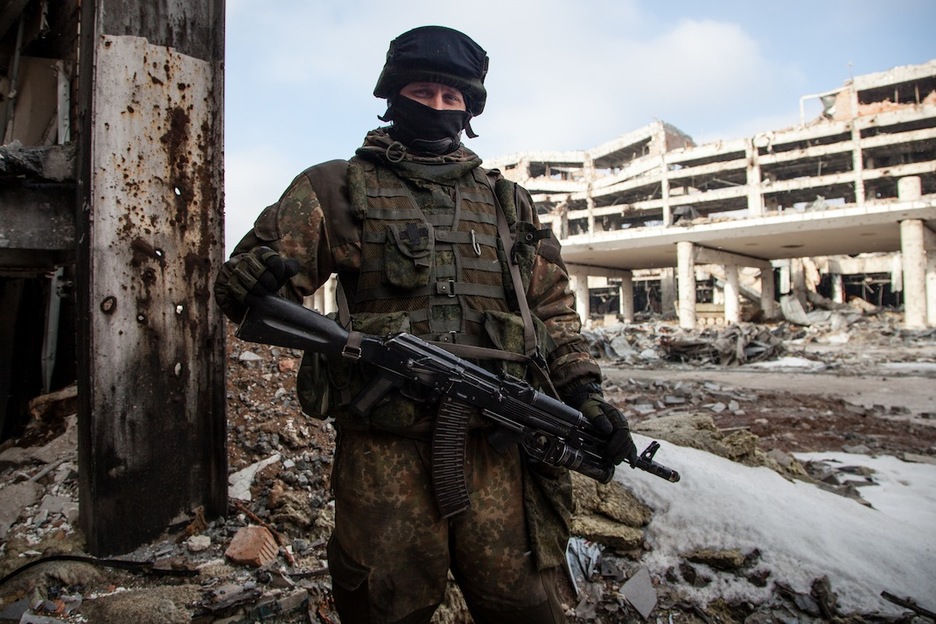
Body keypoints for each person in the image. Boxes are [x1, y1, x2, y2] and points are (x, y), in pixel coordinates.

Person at [214, 25, 638, 624]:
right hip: (386, 447)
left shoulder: (508, 203)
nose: (437, 107)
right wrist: (254, 282)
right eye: (423, 90)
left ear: (470, 109)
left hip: (500, 444)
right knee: (388, 604)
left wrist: (586, 395)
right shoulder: (335, 188)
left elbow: (552, 311)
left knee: (524, 602)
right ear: (392, 95)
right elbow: (249, 284)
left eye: (452, 98)